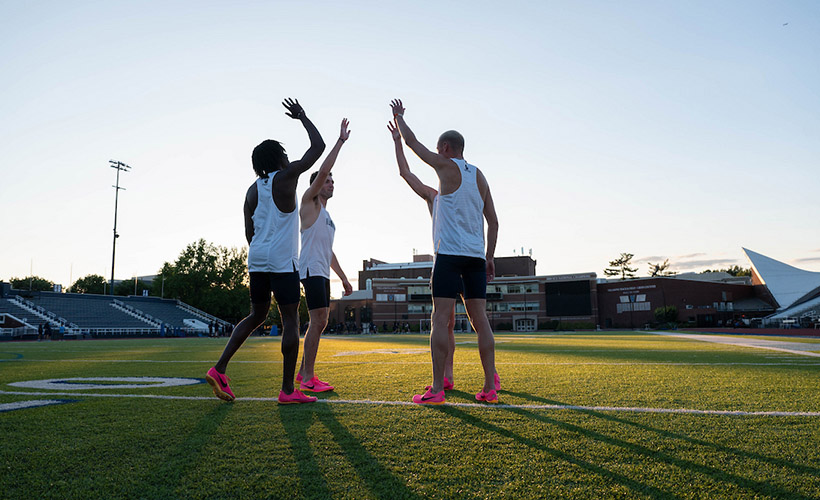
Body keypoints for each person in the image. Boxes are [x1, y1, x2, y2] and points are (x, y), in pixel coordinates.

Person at [206, 98, 325, 405]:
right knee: (291, 321)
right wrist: (302, 116)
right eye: (284, 154)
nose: (288, 157)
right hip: (283, 261)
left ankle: (219, 369)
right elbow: (318, 147)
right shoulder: (287, 178)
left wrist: (261, 253)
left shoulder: (251, 189)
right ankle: (287, 390)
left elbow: (249, 232)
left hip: (257, 258)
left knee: (256, 314)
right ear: (279, 158)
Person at [391, 99, 499, 405]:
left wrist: (399, 120)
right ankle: (490, 386)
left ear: (446, 148)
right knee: (481, 322)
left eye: (439, 151)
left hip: (449, 257)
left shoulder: (446, 166)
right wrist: (489, 256)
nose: (437, 156)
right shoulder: (479, 176)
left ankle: (437, 388)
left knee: (440, 320)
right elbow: (494, 221)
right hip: (476, 258)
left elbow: (414, 144)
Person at [295, 119, 354, 393]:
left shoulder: (328, 217)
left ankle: (302, 373)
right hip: (309, 270)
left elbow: (329, 252)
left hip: (322, 270)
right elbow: (323, 170)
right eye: (326, 180)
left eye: (332, 180)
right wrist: (340, 142)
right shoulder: (310, 201)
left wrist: (343, 278)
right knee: (318, 319)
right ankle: (308, 377)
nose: (330, 182)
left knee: (320, 320)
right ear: (317, 185)